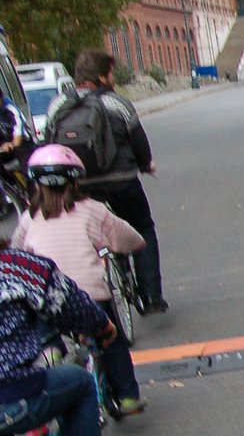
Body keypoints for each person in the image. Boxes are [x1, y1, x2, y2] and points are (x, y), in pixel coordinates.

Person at [11, 145, 146, 416]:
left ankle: (53, 351)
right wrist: (137, 244)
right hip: (87, 294)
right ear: (75, 180)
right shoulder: (92, 210)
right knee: (111, 339)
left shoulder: (30, 217)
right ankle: (128, 396)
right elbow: (126, 237)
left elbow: (18, 253)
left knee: (45, 330)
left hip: (44, 295)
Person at [0, 241, 121, 436]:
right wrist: (102, 327)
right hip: (14, 396)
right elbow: (72, 305)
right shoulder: (18, 267)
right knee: (79, 383)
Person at [47, 51, 166, 314]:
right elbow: (139, 144)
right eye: (110, 74)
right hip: (121, 181)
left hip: (79, 186)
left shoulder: (58, 106)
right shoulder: (118, 104)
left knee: (86, 235)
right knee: (142, 227)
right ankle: (151, 294)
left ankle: (92, 295)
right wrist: (146, 165)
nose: (112, 78)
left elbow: (48, 145)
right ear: (101, 77)